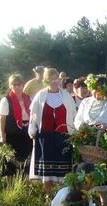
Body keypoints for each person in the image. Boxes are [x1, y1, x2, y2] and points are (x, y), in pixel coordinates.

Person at [28, 68, 76, 197]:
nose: (54, 82)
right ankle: (48, 194)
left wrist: (74, 132)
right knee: (47, 168)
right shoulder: (41, 95)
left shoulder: (66, 96)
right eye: (51, 79)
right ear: (46, 81)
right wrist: (32, 129)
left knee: (63, 166)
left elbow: (73, 115)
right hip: (46, 136)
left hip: (63, 136)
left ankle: (62, 195)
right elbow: (33, 115)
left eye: (56, 79)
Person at [0, 73, 32, 178]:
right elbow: (2, 119)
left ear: (23, 85)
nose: (17, 87)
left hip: (26, 133)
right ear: (10, 86)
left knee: (27, 162)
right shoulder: (6, 100)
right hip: (12, 134)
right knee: (10, 162)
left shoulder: (28, 98)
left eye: (19, 84)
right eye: (14, 84)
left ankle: (26, 186)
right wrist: (2, 135)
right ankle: (10, 187)